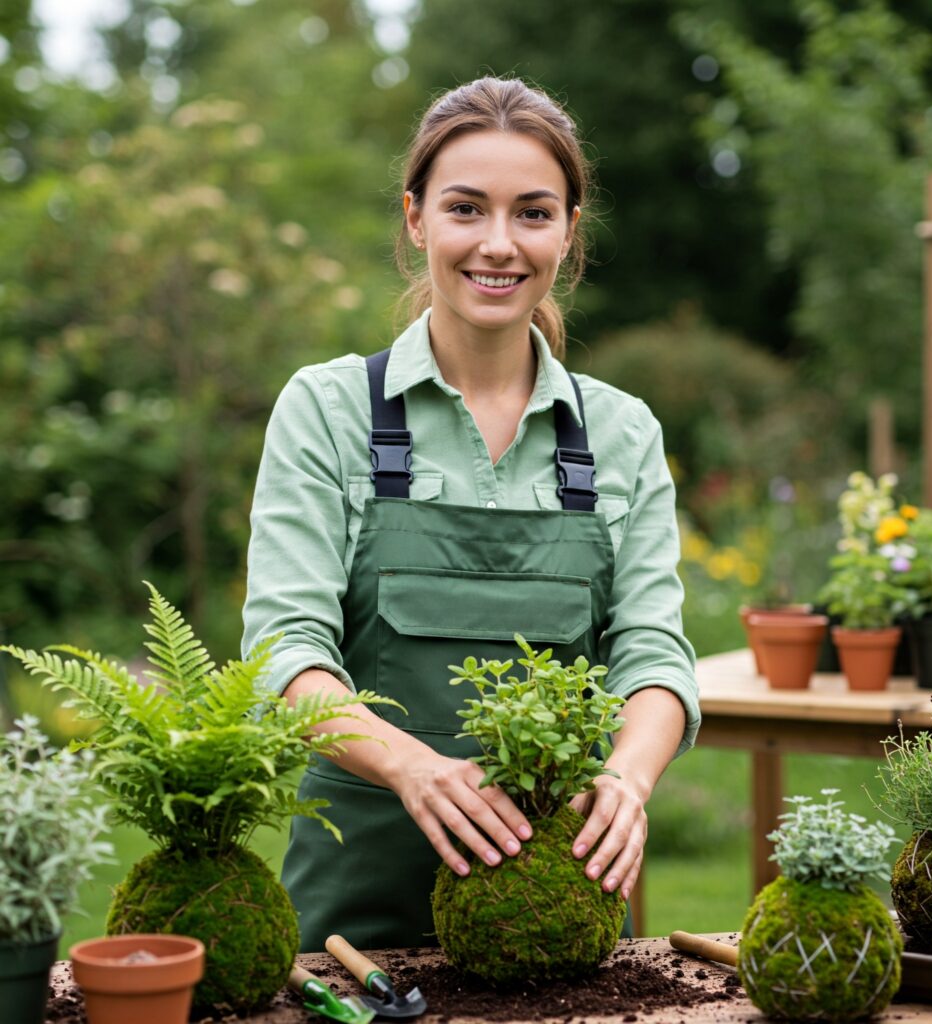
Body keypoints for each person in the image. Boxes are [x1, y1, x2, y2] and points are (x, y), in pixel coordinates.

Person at [242, 76, 701, 952]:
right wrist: (413, 767)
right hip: (356, 922)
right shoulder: (329, 410)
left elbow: (653, 654)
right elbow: (283, 654)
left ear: (571, 230)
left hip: (562, 905)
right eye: (465, 208)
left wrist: (625, 782)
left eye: (533, 213)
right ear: (416, 219)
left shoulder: (619, 432)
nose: (499, 244)